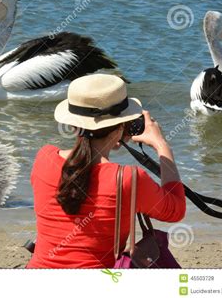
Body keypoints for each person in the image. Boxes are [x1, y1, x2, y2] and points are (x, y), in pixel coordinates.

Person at [26, 74, 186, 268]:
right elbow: (175, 209)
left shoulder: (44, 157)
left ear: (72, 124)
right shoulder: (129, 178)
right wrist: (161, 145)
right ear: (121, 126)